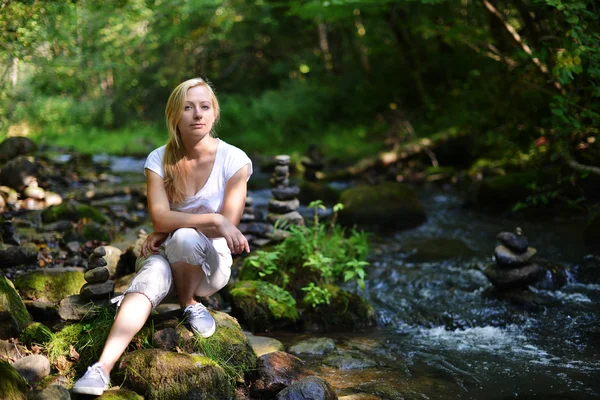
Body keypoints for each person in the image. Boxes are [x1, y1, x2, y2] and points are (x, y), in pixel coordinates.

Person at [72, 77, 252, 395]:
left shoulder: (235, 160)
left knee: (183, 237)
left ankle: (190, 301)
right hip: (169, 256)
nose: (197, 114)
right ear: (174, 116)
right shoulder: (159, 158)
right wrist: (211, 219)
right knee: (152, 272)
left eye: (205, 107)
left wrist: (173, 226)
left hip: (211, 266)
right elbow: (161, 216)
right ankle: (101, 369)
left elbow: (227, 225)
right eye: (188, 107)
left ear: (214, 114)